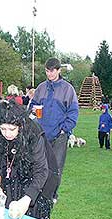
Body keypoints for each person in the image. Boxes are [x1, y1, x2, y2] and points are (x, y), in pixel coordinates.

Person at [29, 57, 79, 203]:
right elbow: (33, 104)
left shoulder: (67, 89)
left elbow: (74, 112)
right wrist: (33, 109)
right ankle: (38, 192)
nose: (49, 74)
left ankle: (52, 195)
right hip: (41, 134)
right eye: (47, 71)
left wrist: (65, 129)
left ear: (58, 70)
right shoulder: (41, 88)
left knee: (56, 166)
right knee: (39, 164)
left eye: (52, 71)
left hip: (59, 136)